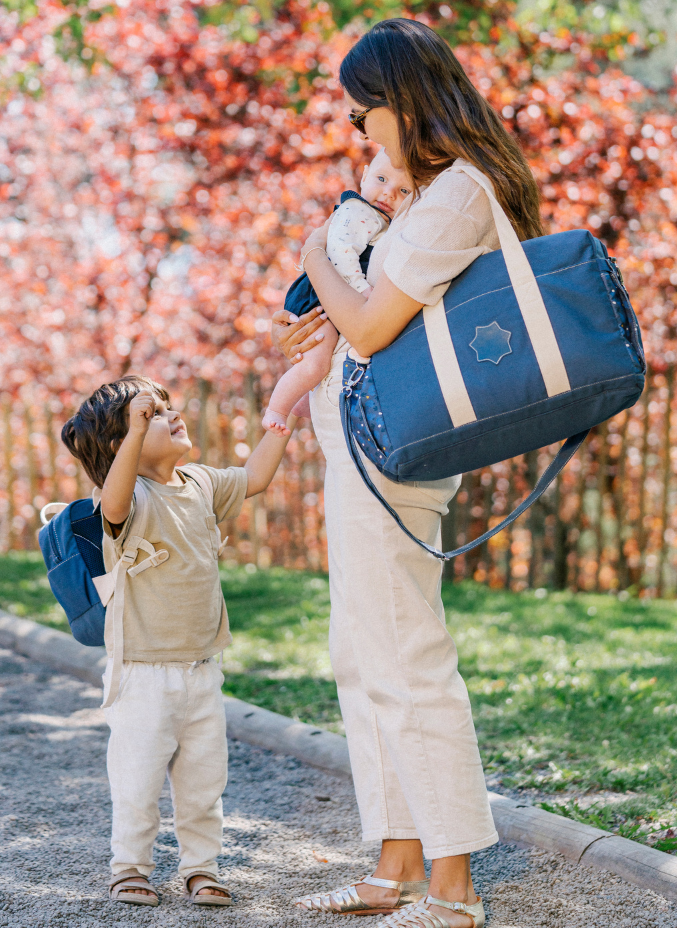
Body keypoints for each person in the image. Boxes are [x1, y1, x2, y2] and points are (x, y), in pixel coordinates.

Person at [271, 19, 546, 928]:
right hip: (360, 443)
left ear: (405, 100)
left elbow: (374, 325)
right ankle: (393, 863)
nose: (360, 133)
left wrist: (319, 256)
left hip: (392, 454)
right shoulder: (432, 192)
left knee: (407, 655)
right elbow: (364, 319)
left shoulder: (461, 192)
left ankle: (455, 887)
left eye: (365, 112)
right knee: (364, 653)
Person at [61, 374, 297, 908]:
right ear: (125, 445)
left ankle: (201, 867)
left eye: (167, 409)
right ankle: (130, 868)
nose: (170, 416)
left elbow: (255, 476)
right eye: (151, 415)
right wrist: (135, 432)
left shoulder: (200, 483)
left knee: (203, 783)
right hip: (143, 674)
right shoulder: (127, 496)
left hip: (202, 669)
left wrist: (283, 414)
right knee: (138, 781)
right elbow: (116, 505)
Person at [262, 148, 412, 435]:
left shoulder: (379, 218)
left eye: (403, 190)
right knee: (315, 363)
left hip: (330, 291)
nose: (389, 193)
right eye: (381, 179)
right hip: (318, 297)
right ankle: (277, 409)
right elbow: (340, 254)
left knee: (324, 356)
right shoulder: (359, 212)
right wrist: (363, 292)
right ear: (364, 174)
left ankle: (304, 398)